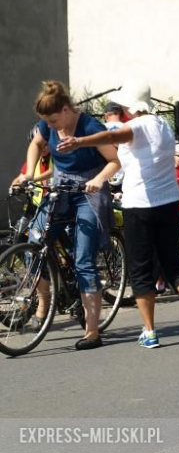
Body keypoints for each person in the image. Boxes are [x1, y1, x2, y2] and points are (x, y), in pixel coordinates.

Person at [58, 80, 179, 348]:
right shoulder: (162, 124)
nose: (121, 110)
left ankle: (150, 331)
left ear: (130, 106)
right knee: (174, 266)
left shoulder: (137, 126)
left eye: (123, 106)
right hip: (168, 203)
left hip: (139, 206)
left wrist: (79, 141)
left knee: (140, 270)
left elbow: (113, 137)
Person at [13, 81, 120, 350]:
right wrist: (28, 174)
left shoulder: (90, 127)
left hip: (88, 191)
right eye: (46, 122)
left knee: (84, 261)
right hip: (60, 188)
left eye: (52, 120)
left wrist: (98, 180)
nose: (49, 126)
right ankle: (47, 301)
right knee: (34, 241)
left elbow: (114, 161)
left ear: (65, 110)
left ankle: (92, 332)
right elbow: (36, 144)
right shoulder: (47, 125)